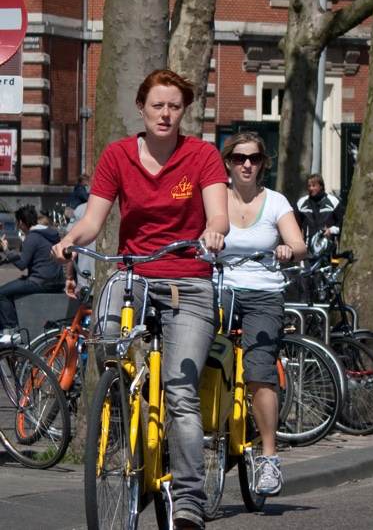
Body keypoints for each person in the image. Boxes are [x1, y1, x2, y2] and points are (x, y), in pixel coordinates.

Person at [51, 69, 228, 529]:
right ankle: (121, 404)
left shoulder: (202, 155)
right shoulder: (117, 156)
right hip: (133, 274)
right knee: (104, 336)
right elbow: (93, 220)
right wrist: (71, 238)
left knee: (181, 391)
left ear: (183, 111)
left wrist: (213, 231)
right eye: (158, 105)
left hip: (187, 280)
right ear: (142, 108)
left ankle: (189, 499)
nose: (166, 114)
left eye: (175, 106)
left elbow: (219, 214)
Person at [219, 132, 306, 496]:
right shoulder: (214, 198)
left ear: (262, 164)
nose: (246, 164)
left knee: (259, 371)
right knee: (196, 358)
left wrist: (289, 250)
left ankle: (269, 457)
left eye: (253, 158)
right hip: (219, 288)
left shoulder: (275, 203)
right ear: (228, 162)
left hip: (263, 293)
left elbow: (299, 243)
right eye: (239, 158)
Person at [0, 205, 65, 343]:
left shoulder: (32, 237)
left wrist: (5, 249)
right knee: (14, 288)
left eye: (18, 223)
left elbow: (22, 263)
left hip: (41, 282)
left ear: (21, 223)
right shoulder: (48, 234)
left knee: (1, 293)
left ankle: (12, 329)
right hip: (55, 281)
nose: (18, 226)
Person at [296, 174, 344, 258]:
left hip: (328, 250)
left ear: (321, 186)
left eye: (314, 186)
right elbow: (295, 225)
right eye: (309, 186)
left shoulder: (333, 201)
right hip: (307, 252)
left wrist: (331, 230)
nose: (311, 188)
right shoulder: (301, 203)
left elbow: (342, 224)